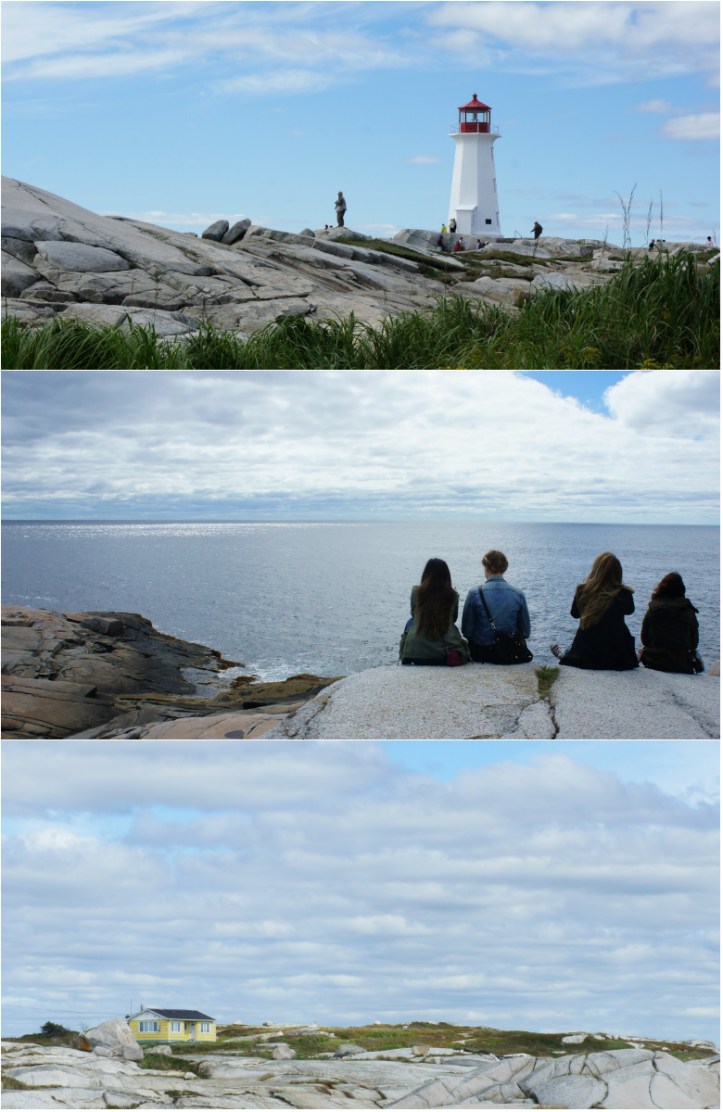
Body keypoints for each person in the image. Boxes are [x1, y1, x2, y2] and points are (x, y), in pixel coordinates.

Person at [551, 552, 638, 670]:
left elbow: (575, 614)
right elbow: (630, 611)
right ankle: (633, 656)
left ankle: (567, 653)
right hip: (616, 654)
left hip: (587, 652)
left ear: (595, 570)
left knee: (586, 634)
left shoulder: (582, 590)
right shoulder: (624, 594)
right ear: (618, 573)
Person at [461, 550, 531, 663]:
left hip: (482, 652)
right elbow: (525, 632)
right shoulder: (518, 594)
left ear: (487, 568)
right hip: (510, 651)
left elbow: (467, 631)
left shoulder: (474, 593)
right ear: (504, 569)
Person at [399, 558, 470, 666]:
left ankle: (404, 653)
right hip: (443, 656)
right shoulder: (452, 595)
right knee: (452, 627)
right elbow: (453, 618)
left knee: (411, 622)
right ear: (447, 576)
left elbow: (414, 614)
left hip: (412, 655)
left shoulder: (416, 592)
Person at [640, 572, 703, 674]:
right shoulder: (688, 611)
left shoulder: (652, 609)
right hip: (681, 663)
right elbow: (694, 643)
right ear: (682, 590)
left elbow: (645, 639)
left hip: (653, 661)